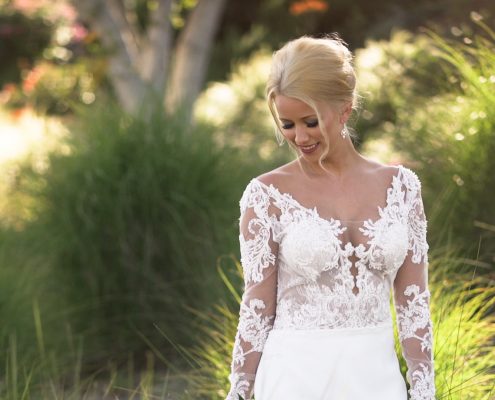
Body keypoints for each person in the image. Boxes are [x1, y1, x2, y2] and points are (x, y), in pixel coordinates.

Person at [225, 34, 435, 400]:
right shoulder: (266, 195)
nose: (300, 137)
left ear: (345, 108)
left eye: (310, 121)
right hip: (294, 378)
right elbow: (257, 308)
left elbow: (414, 302)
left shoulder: (401, 188)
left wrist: (423, 390)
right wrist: (239, 392)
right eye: (287, 125)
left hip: (377, 379)